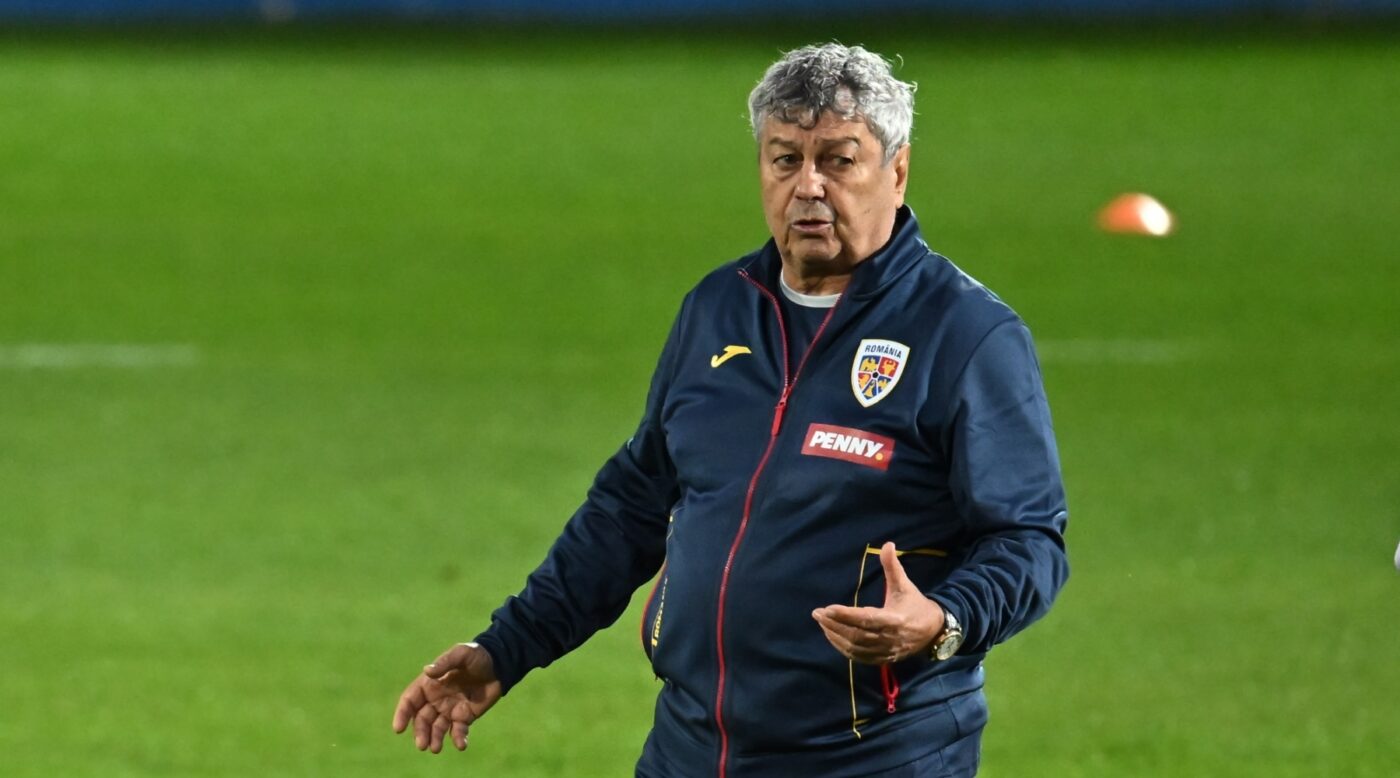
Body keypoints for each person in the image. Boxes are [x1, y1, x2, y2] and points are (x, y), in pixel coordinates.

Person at [392, 42, 1069, 778]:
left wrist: (944, 620)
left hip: (873, 758)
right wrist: (507, 648)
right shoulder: (717, 309)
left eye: (839, 161)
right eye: (785, 160)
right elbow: (629, 509)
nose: (808, 187)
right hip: (690, 751)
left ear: (897, 170)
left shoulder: (965, 335)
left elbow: (1028, 539)